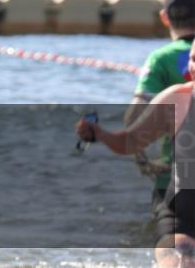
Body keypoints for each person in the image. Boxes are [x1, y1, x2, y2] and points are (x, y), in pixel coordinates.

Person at [76, 45, 195, 268]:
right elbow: (130, 142)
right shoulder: (176, 100)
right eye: (193, 59)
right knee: (179, 262)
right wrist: (99, 134)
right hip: (182, 212)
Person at [126, 0, 194, 230]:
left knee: (172, 243)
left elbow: (134, 113)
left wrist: (142, 160)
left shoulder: (161, 58)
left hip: (173, 177)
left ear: (165, 17)